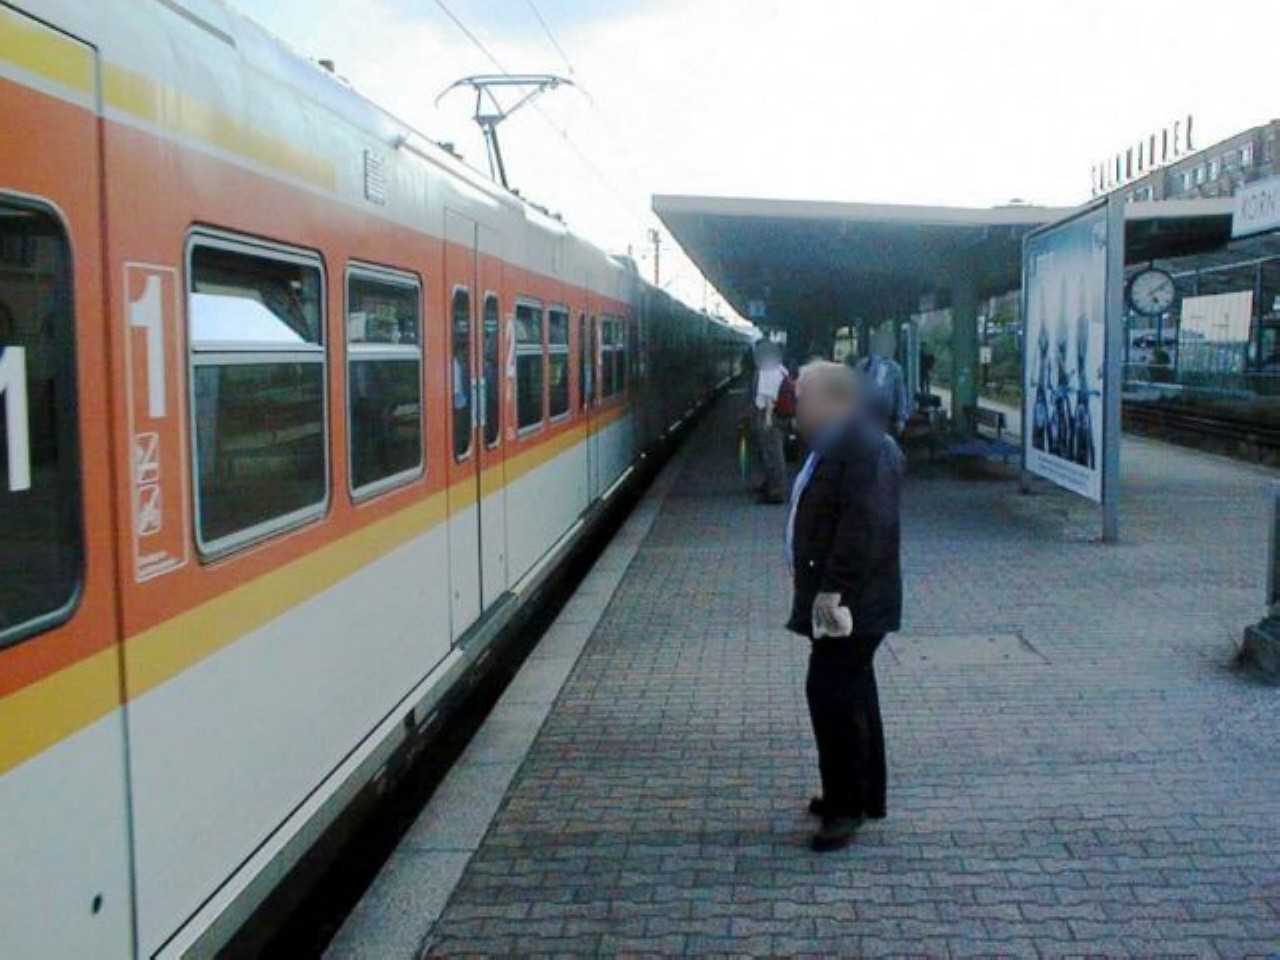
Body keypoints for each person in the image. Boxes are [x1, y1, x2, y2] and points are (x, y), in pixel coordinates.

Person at [786, 361, 904, 853]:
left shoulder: (863, 448)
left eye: (803, 400)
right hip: (854, 599)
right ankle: (862, 795)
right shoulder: (840, 443)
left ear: (834, 399)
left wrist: (831, 593)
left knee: (831, 694)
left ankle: (845, 808)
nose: (796, 411)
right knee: (854, 693)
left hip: (852, 602)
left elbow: (862, 529)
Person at [850, 328, 910, 436]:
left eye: (891, 344)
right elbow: (852, 389)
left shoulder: (896, 369)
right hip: (865, 415)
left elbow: (900, 394)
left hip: (885, 418)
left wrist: (901, 418)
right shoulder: (863, 365)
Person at [749, 340, 788, 504]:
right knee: (773, 451)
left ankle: (775, 492)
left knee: (771, 453)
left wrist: (767, 419)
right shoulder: (780, 368)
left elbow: (770, 397)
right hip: (775, 415)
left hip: (768, 415)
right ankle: (770, 484)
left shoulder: (768, 369)